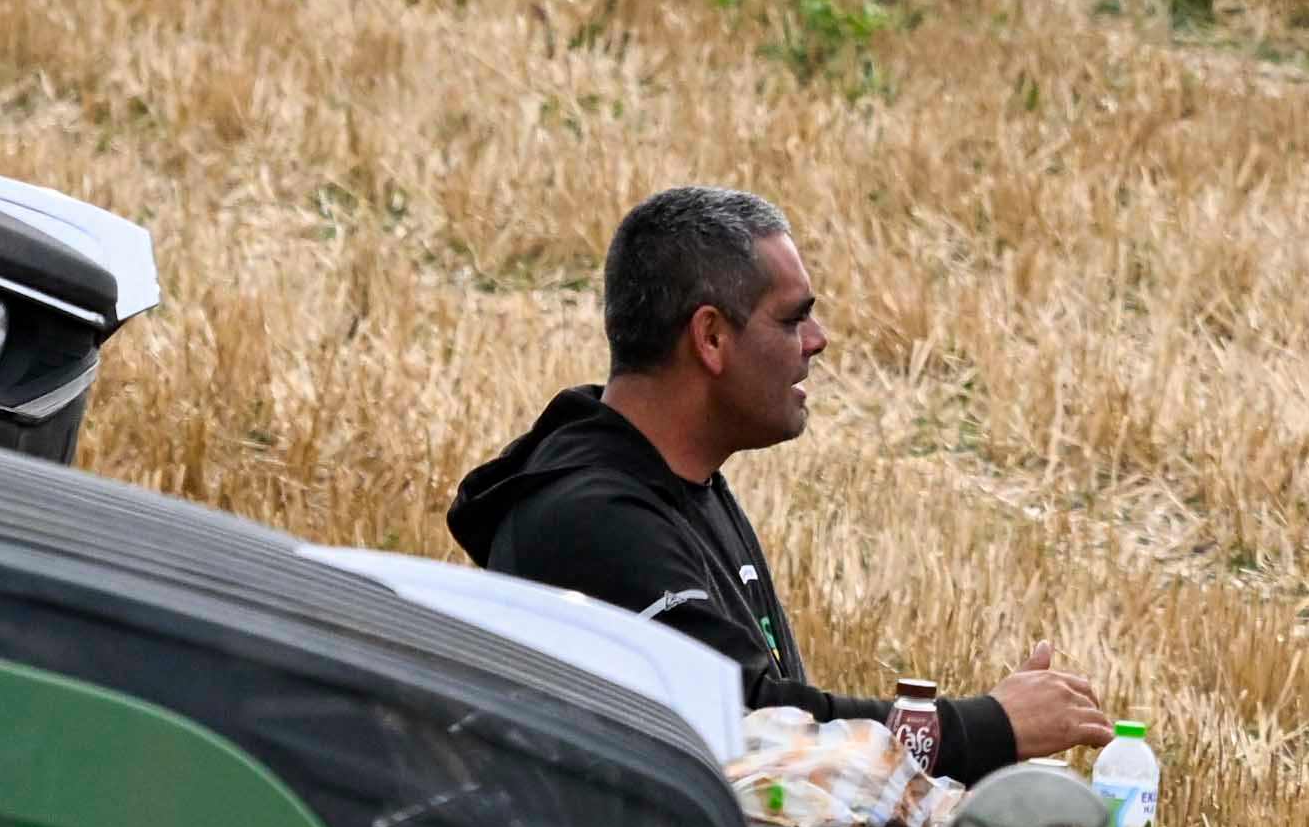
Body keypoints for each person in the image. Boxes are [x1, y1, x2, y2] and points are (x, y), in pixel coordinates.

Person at [450, 186, 1103, 781]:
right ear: (710, 337)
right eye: (792, 319)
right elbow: (752, 729)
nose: (817, 341)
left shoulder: (679, 485)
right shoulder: (592, 521)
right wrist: (986, 727)